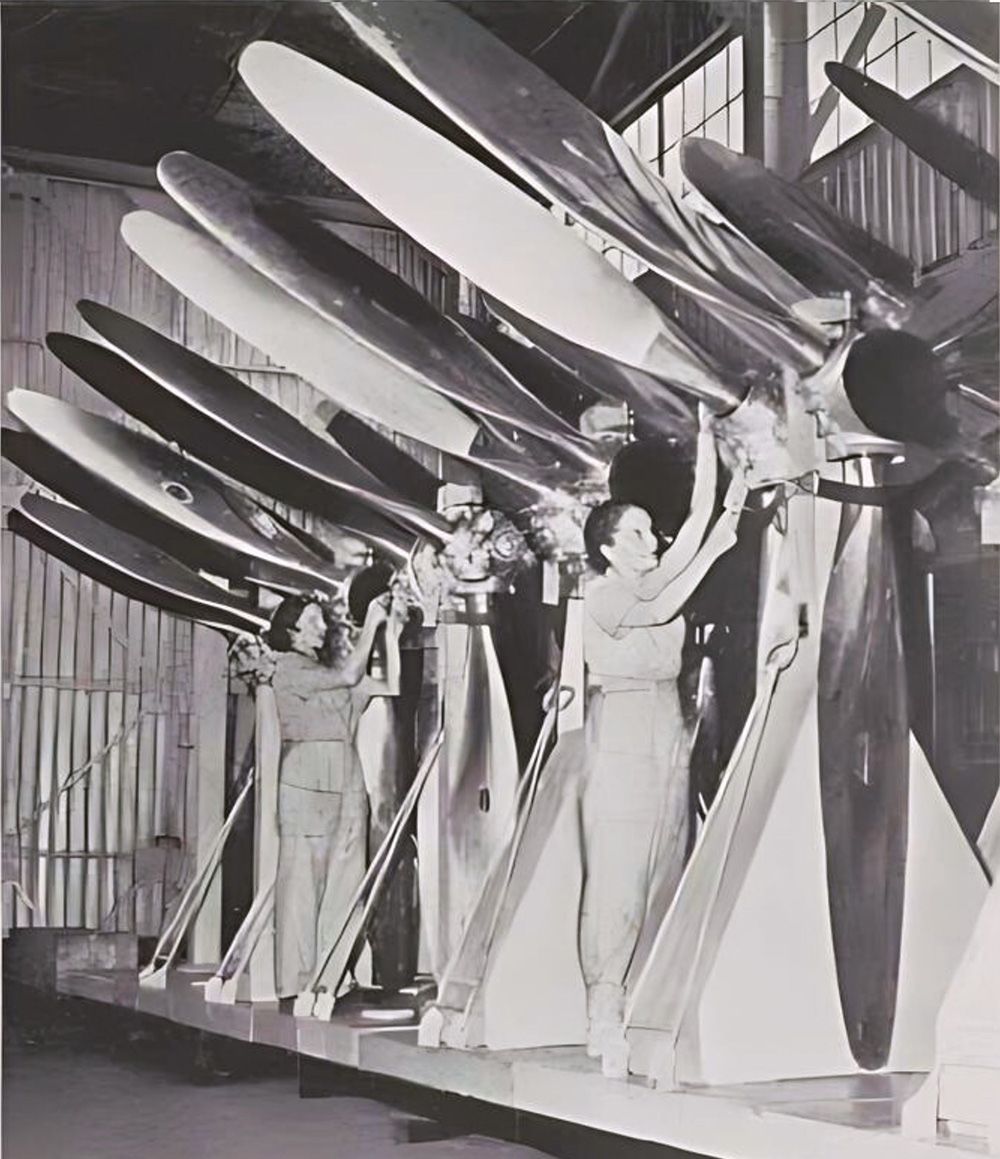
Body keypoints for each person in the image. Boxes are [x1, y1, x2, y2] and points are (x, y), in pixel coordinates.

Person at [579, 407, 747, 1076]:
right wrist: (708, 551)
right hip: (619, 736)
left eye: (653, 530)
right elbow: (666, 600)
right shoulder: (602, 594)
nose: (654, 540)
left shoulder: (651, 580)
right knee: (618, 880)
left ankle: (646, 1004)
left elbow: (699, 524)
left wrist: (713, 452)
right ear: (611, 544)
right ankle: (602, 1011)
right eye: (641, 532)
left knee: (662, 875)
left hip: (665, 733)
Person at [268, 589, 405, 999]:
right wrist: (373, 621)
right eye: (311, 621)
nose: (321, 628)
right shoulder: (288, 669)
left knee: (346, 878)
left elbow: (390, 684)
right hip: (307, 772)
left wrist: (390, 631)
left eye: (320, 620)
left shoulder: (331, 672)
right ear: (289, 631)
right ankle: (295, 980)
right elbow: (349, 676)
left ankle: (330, 975)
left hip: (345, 771)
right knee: (302, 879)